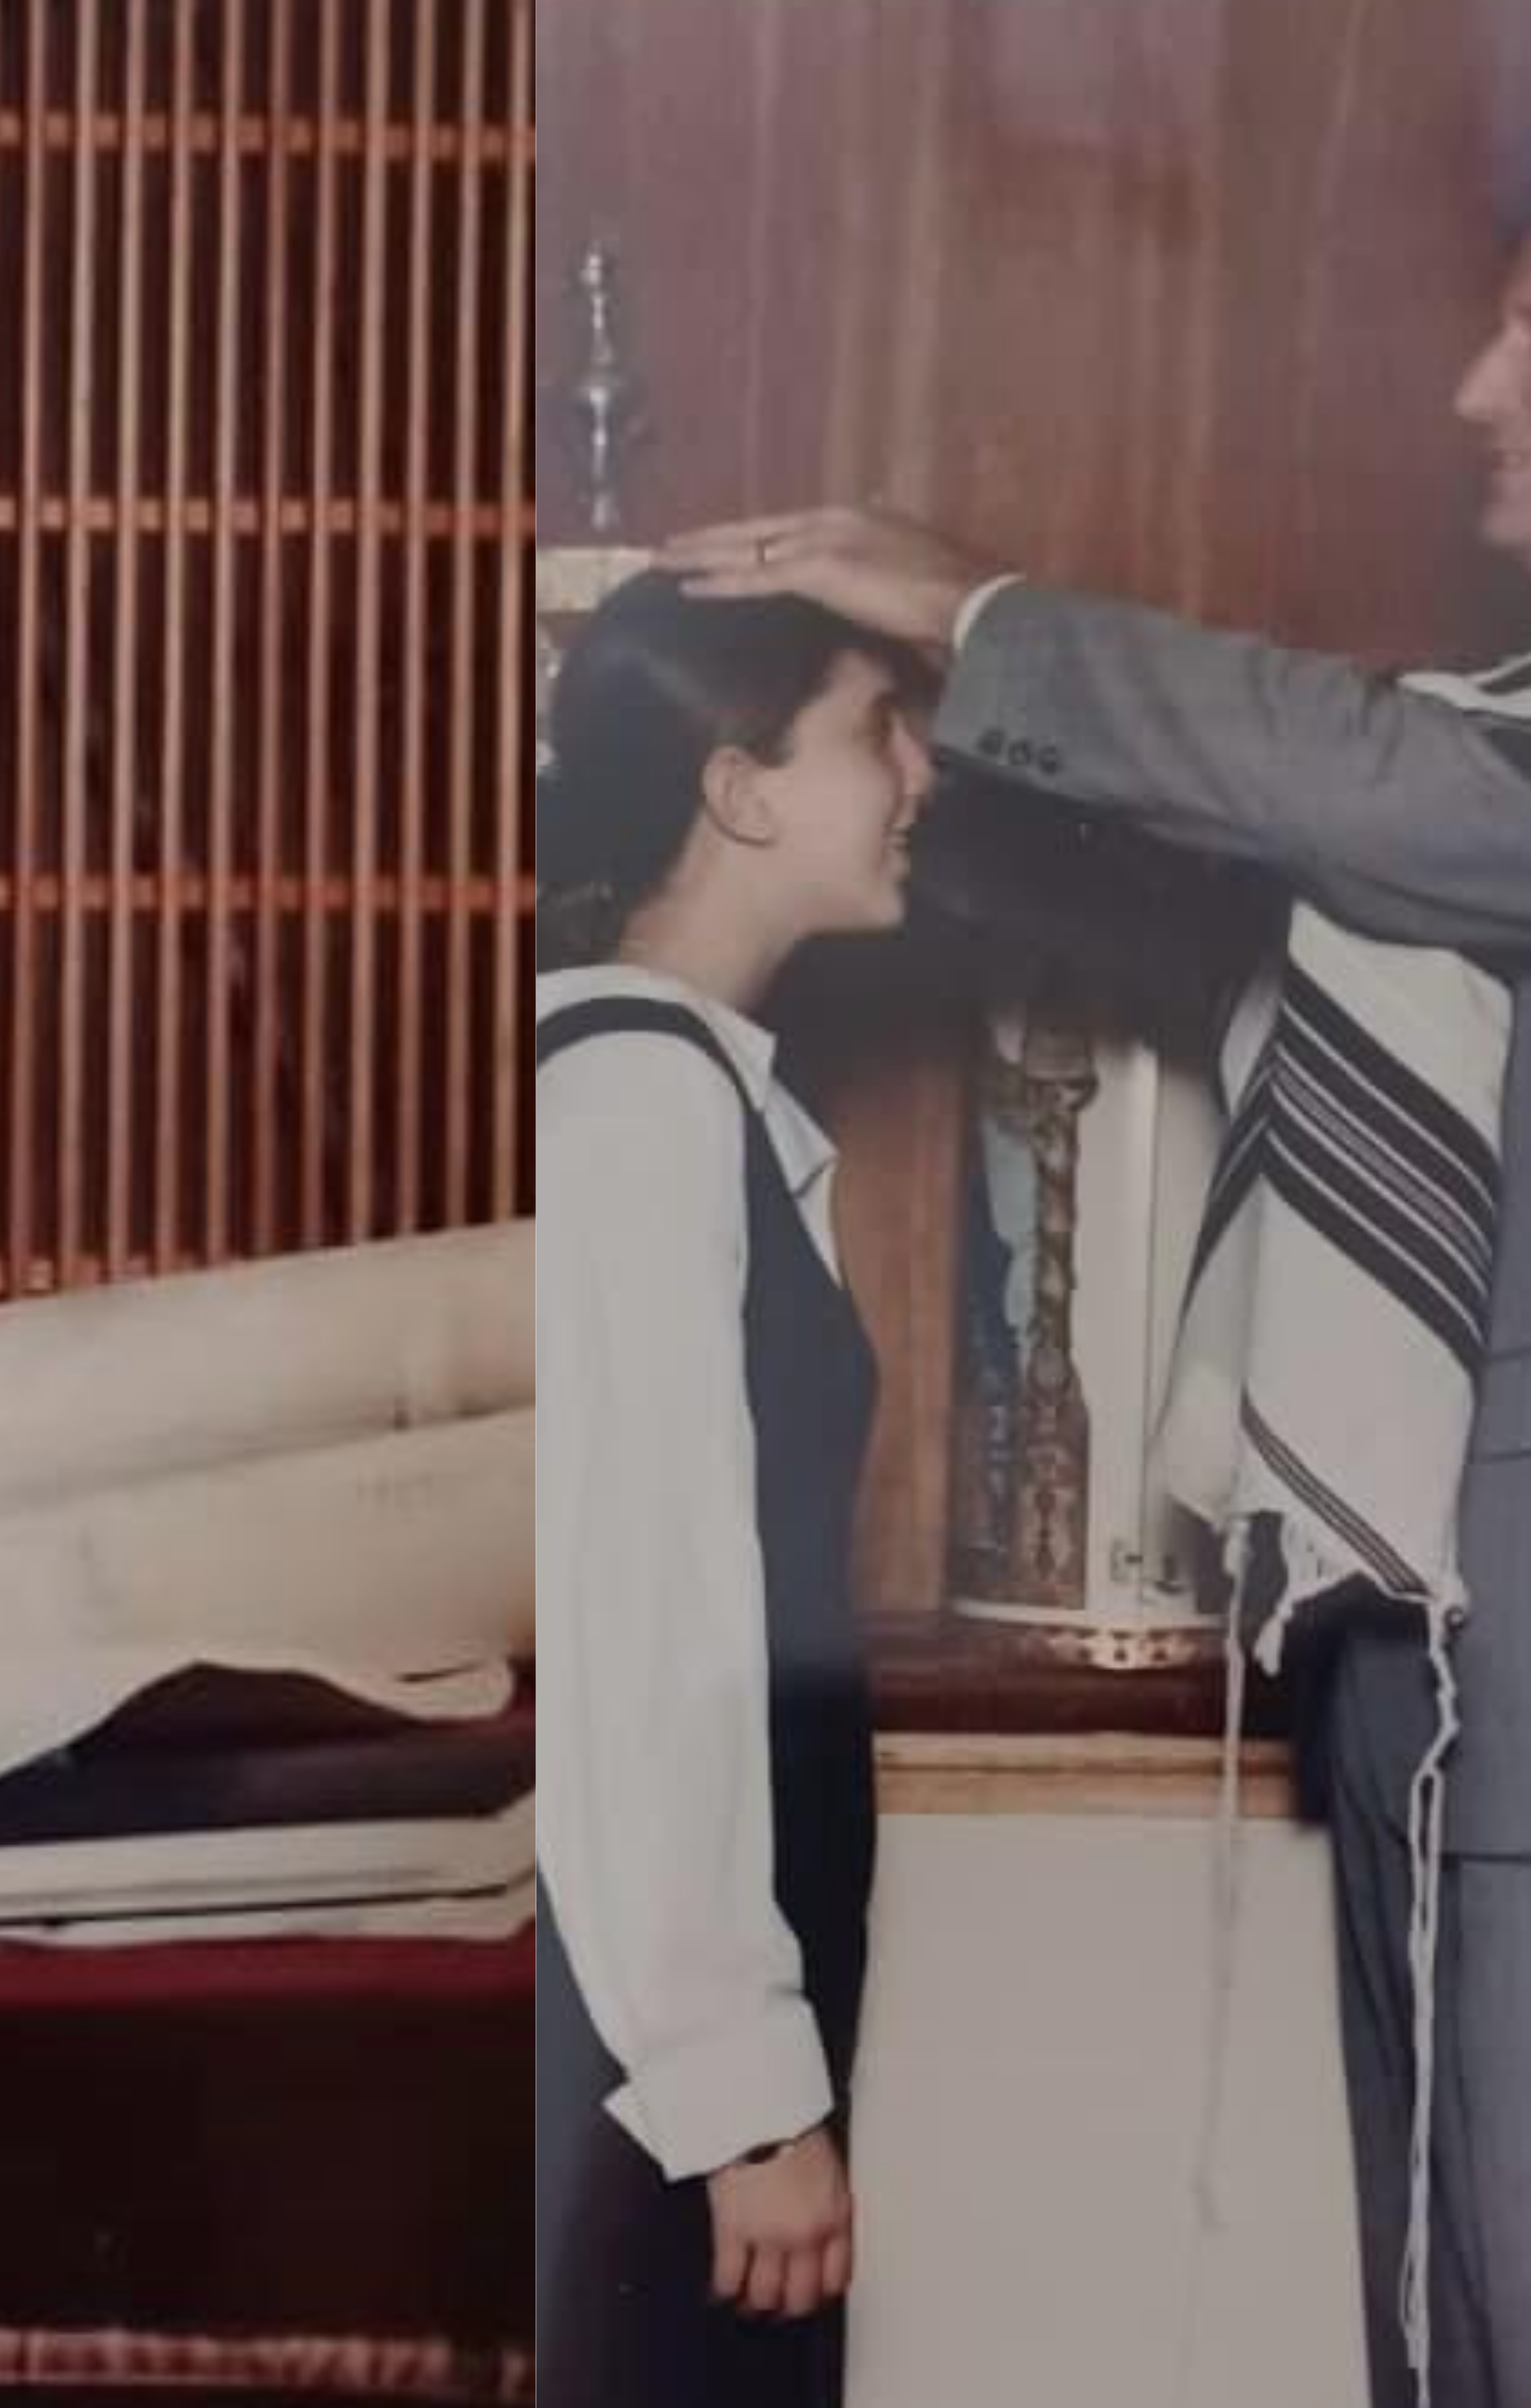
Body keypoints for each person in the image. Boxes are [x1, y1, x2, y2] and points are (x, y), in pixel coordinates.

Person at [677, 122, 1531, 2406]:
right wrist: (859, 779)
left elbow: (1393, 795)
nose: (1476, 393)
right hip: (1491, 1714)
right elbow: (1306, 867)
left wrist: (987, 619)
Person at [534, 574, 931, 2407]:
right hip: (653, 2065)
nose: (920, 777)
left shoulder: (697, 1090)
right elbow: (646, 1615)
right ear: (738, 790)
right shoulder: (638, 1100)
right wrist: (740, 2088)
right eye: (879, 732)